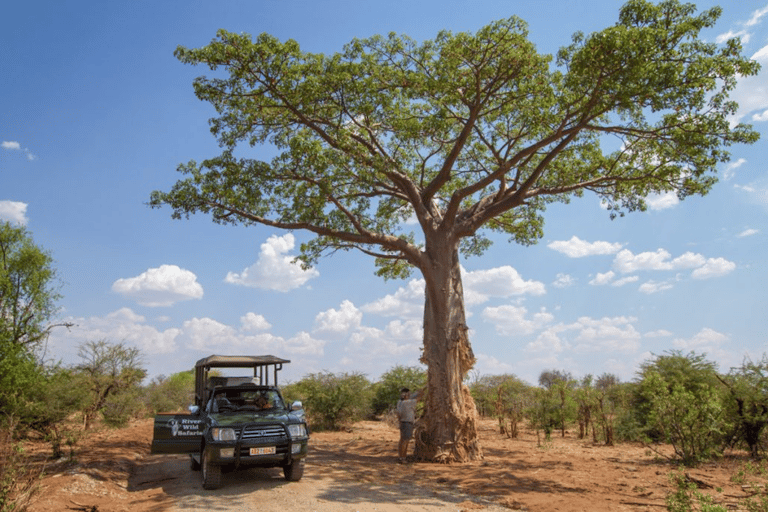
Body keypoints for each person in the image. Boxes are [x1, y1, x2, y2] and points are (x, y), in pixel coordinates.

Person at [396, 387, 419, 463]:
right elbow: (419, 398)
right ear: (406, 395)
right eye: (408, 394)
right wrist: (422, 391)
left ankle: (401, 457)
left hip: (402, 422)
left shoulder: (400, 402)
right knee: (405, 441)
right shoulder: (408, 402)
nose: (410, 395)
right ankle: (403, 458)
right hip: (407, 423)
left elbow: (412, 397)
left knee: (402, 440)